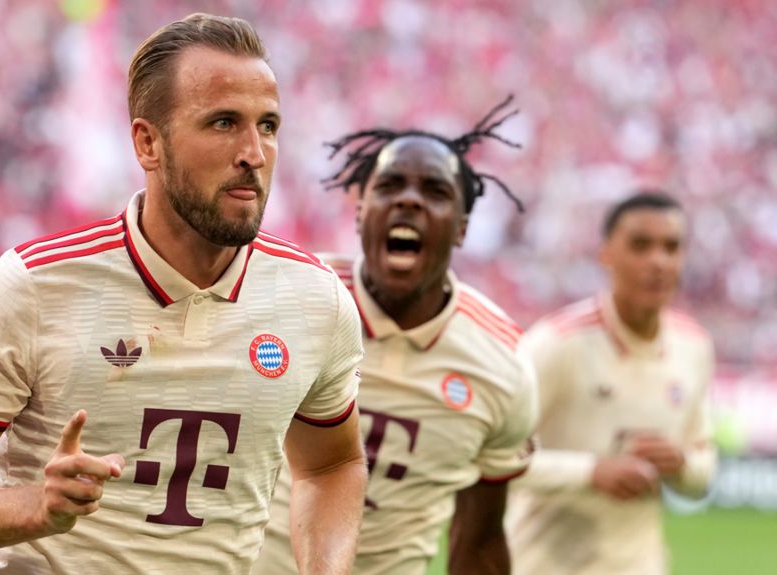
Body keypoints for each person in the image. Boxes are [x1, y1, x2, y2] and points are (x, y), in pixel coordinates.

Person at [0, 13, 368, 574]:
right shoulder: (34, 287)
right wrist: (34, 507)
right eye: (223, 123)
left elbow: (332, 466)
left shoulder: (316, 301)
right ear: (148, 143)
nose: (254, 153)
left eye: (269, 125)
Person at [253, 97, 538, 575]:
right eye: (389, 186)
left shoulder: (502, 361)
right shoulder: (286, 299)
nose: (409, 200)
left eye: (435, 191)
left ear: (463, 228)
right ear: (361, 213)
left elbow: (480, 539)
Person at [505, 191, 717, 575]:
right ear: (606, 254)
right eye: (640, 245)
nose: (658, 261)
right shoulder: (557, 344)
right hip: (543, 564)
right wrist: (590, 472)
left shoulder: (694, 347)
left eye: (672, 247)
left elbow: (703, 472)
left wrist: (681, 463)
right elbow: (493, 458)